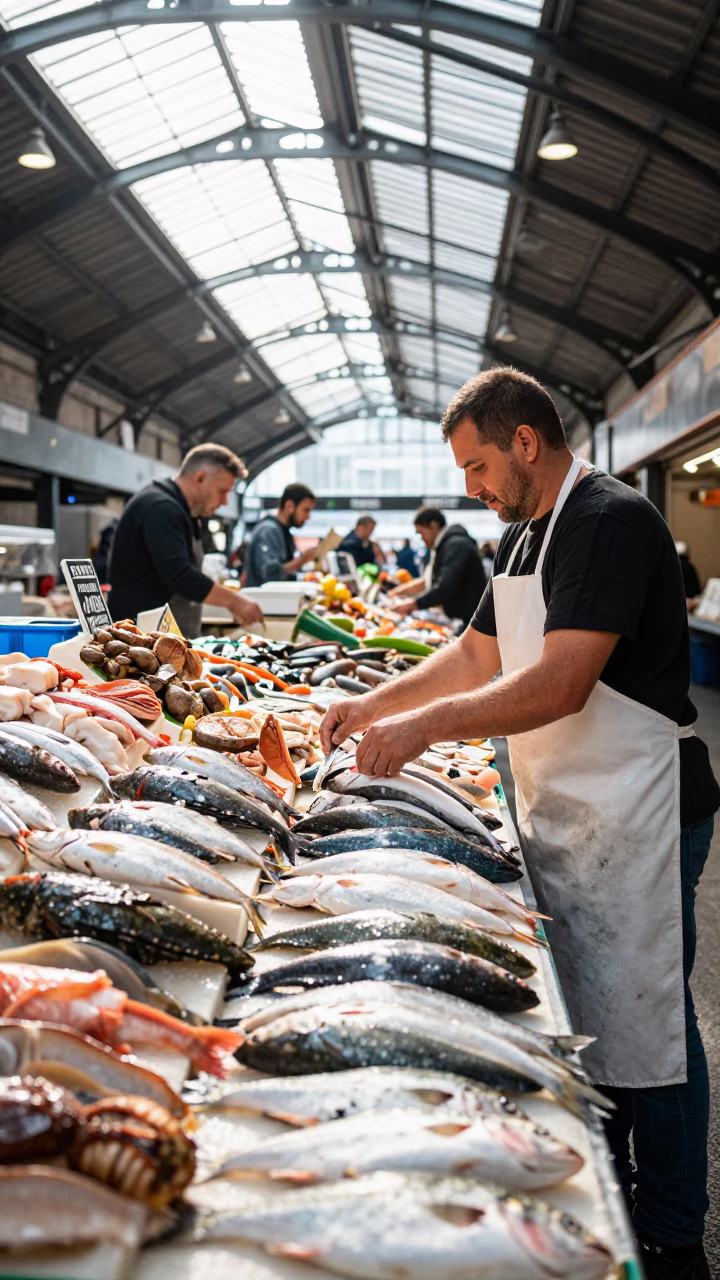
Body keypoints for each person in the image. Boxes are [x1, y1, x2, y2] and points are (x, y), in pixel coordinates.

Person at [320, 367, 720, 1280]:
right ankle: (611, 1181)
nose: (471, 486)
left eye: (476, 465)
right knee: (593, 1006)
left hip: (641, 806)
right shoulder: (524, 536)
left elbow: (559, 683)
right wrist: (370, 701)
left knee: (651, 1024)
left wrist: (420, 730)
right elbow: (475, 655)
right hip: (572, 807)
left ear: (524, 442)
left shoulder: (609, 522)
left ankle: (671, 1232)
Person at [108, 443, 264, 636]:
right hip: (140, 638)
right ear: (200, 478)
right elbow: (179, 575)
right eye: (223, 491)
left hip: (162, 638)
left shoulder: (184, 512)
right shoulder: (160, 507)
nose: (224, 502)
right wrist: (235, 601)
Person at [388, 507, 486, 628]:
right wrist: (398, 592)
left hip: (469, 621)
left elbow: (445, 586)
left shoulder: (455, 545)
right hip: (463, 619)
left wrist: (415, 604)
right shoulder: (444, 545)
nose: (422, 539)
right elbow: (427, 580)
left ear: (433, 526)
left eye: (421, 533)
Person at [244, 483, 316, 587]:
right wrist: (301, 560)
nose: (308, 517)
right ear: (289, 505)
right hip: (265, 601)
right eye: (305, 510)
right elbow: (269, 574)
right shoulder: (268, 531)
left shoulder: (284, 531)